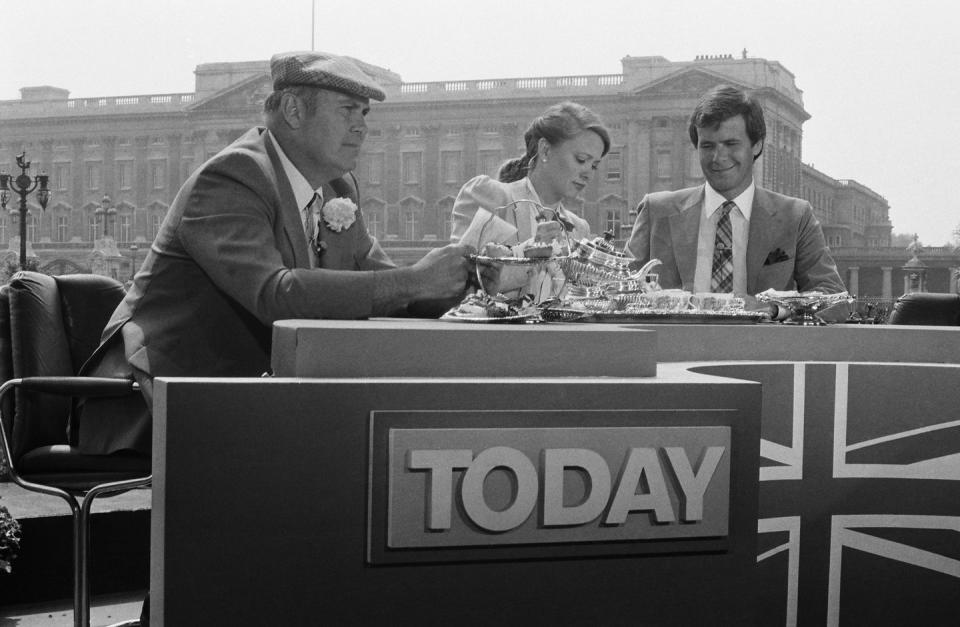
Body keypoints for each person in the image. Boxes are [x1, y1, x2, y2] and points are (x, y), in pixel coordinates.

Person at [78, 51, 476, 456]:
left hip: (250, 395)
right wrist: (415, 279)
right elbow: (275, 295)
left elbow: (388, 293)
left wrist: (468, 275)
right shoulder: (234, 175)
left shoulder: (338, 189)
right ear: (292, 110)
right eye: (347, 110)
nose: (362, 127)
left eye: (365, 113)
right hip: (157, 396)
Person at [625, 84, 845, 300]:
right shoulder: (656, 211)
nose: (718, 157)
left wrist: (773, 309)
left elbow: (834, 297)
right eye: (708, 146)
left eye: (731, 144)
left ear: (757, 145)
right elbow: (620, 290)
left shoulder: (796, 217)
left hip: (757, 337)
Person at [450, 101, 611, 301]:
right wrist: (532, 253)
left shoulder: (579, 228)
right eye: (581, 159)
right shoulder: (490, 196)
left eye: (594, 165)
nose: (588, 173)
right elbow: (458, 284)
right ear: (545, 150)